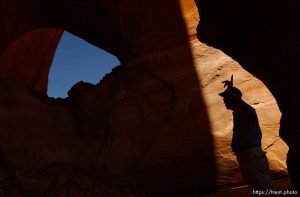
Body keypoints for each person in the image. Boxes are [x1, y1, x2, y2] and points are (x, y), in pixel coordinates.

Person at [219, 75, 277, 195]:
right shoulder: (239, 113)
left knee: (263, 188)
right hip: (246, 156)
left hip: (251, 155)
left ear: (234, 98)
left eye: (226, 98)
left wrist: (233, 93)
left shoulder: (247, 111)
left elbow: (248, 111)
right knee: (258, 188)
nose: (224, 101)